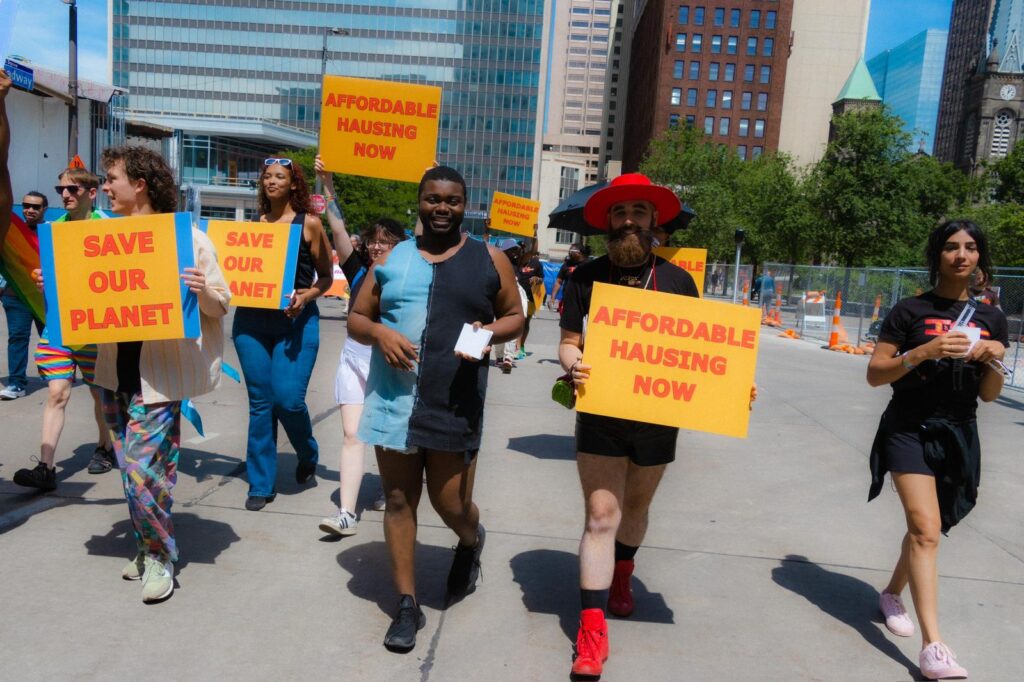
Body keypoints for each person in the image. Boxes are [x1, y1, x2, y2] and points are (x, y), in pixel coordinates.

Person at [558, 173, 756, 677]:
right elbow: (567, 340)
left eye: (639, 213)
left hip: (657, 416)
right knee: (602, 515)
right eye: (620, 213)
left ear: (654, 223)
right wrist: (571, 362)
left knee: (636, 509)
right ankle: (592, 629)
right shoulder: (585, 278)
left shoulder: (676, 281)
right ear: (607, 222)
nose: (629, 221)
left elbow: (698, 354)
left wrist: (733, 387)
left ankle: (623, 570)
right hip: (601, 411)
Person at [35, 146, 229, 603]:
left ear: (139, 184)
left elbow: (222, 304)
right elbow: (79, 301)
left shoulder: (189, 240)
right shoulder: (97, 238)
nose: (104, 187)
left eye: (111, 179)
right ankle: (147, 544)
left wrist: (202, 290)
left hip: (159, 378)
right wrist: (55, 286)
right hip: (112, 372)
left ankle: (162, 555)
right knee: (131, 472)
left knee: (144, 472)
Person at [348, 165, 523, 653]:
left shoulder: (489, 259)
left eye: (452, 200)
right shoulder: (394, 258)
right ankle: (407, 604)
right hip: (394, 401)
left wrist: (490, 333)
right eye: (432, 199)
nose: (441, 208)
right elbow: (358, 317)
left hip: (455, 402)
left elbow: (516, 315)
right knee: (400, 501)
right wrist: (380, 332)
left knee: (453, 506)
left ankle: (471, 540)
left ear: (465, 205)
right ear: (419, 202)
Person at [866, 220, 1008, 680]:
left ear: (980, 259)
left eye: (970, 248)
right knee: (925, 529)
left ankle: (891, 593)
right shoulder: (909, 310)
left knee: (929, 527)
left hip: (959, 433)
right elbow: (876, 373)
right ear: (937, 256)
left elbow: (987, 396)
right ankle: (935, 647)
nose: (961, 255)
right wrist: (923, 352)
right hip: (907, 428)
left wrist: (993, 361)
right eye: (950, 247)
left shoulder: (992, 318)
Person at [234, 157, 333, 512]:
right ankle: (261, 483)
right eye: (266, 176)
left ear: (293, 184)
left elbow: (325, 277)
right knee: (261, 403)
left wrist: (306, 296)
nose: (271, 181)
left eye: (280, 176)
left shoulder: (309, 224)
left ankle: (307, 452)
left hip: (297, 322)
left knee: (288, 399)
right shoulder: (251, 226)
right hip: (251, 324)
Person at [11, 165, 115, 492]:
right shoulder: (53, 230)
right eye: (61, 191)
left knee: (100, 395)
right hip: (60, 325)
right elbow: (50, 276)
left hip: (98, 328)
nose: (66, 195)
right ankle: (46, 466)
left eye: (73, 190)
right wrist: (42, 280)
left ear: (92, 193)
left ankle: (104, 447)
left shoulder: (110, 227)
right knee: (57, 392)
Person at [317, 152, 405, 535]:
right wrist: (327, 183)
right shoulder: (357, 270)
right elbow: (336, 224)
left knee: (387, 440)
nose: (374, 247)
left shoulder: (409, 273)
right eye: (372, 241)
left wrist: (427, 179)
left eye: (384, 242)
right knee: (353, 435)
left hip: (391, 362)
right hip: (354, 360)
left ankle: (392, 489)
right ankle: (347, 513)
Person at [1, 190, 47, 400]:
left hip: (43, 296)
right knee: (18, 339)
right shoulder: (10, 232)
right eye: (26, 205)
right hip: (15, 296)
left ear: (44, 209)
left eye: (35, 207)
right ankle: (17, 383)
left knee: (50, 338)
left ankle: (54, 374)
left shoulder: (51, 232)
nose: (30, 210)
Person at [493, 238, 529, 373]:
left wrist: (534, 235)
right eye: (512, 250)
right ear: (504, 251)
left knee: (513, 324)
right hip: (499, 297)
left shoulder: (517, 263)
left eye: (516, 250)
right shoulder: (495, 262)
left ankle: (508, 357)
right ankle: (499, 357)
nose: (515, 253)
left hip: (514, 297)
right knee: (499, 327)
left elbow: (532, 252)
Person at [513, 232, 543, 359]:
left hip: (530, 297)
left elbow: (542, 280)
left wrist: (536, 278)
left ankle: (521, 345)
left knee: (526, 322)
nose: (521, 250)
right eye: (520, 248)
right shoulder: (517, 262)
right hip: (516, 296)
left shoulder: (536, 262)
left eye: (523, 248)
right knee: (517, 322)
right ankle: (515, 346)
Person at [549, 243, 586, 313]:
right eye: (569, 251)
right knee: (565, 323)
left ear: (580, 252)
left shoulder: (587, 265)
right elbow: (558, 282)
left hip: (582, 302)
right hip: (567, 300)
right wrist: (552, 298)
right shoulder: (566, 265)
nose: (570, 252)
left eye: (572, 251)